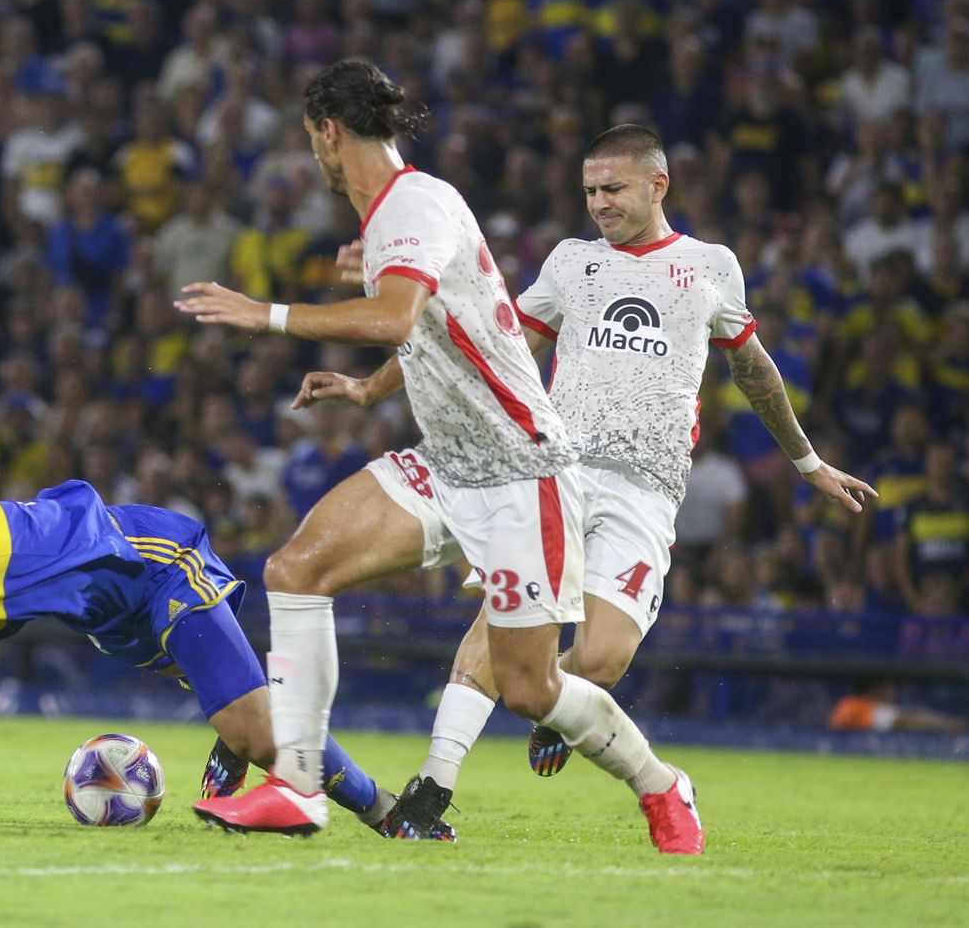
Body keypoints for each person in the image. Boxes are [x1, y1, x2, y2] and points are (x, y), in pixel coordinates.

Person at [174, 59, 702, 853]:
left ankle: (660, 783)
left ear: (328, 131)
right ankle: (298, 781)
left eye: (311, 139)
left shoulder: (413, 205)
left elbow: (394, 317)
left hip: (525, 471)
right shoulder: (401, 214)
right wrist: (365, 393)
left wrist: (266, 314)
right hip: (451, 464)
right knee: (296, 567)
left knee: (531, 687)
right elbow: (438, 323)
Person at [367, 124, 878, 837]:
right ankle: (433, 787)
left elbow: (754, 371)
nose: (599, 204)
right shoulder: (573, 262)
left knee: (602, 657)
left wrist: (808, 461)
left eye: (612, 189)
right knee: (499, 627)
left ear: (656, 184)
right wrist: (380, 382)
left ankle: (557, 703)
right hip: (554, 473)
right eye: (589, 192)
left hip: (647, 487)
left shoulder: (709, 266)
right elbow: (490, 343)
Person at [0, 477, 425, 835]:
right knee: (251, 723)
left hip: (151, 564)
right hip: (113, 618)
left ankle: (394, 813)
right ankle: (237, 740)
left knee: (258, 729)